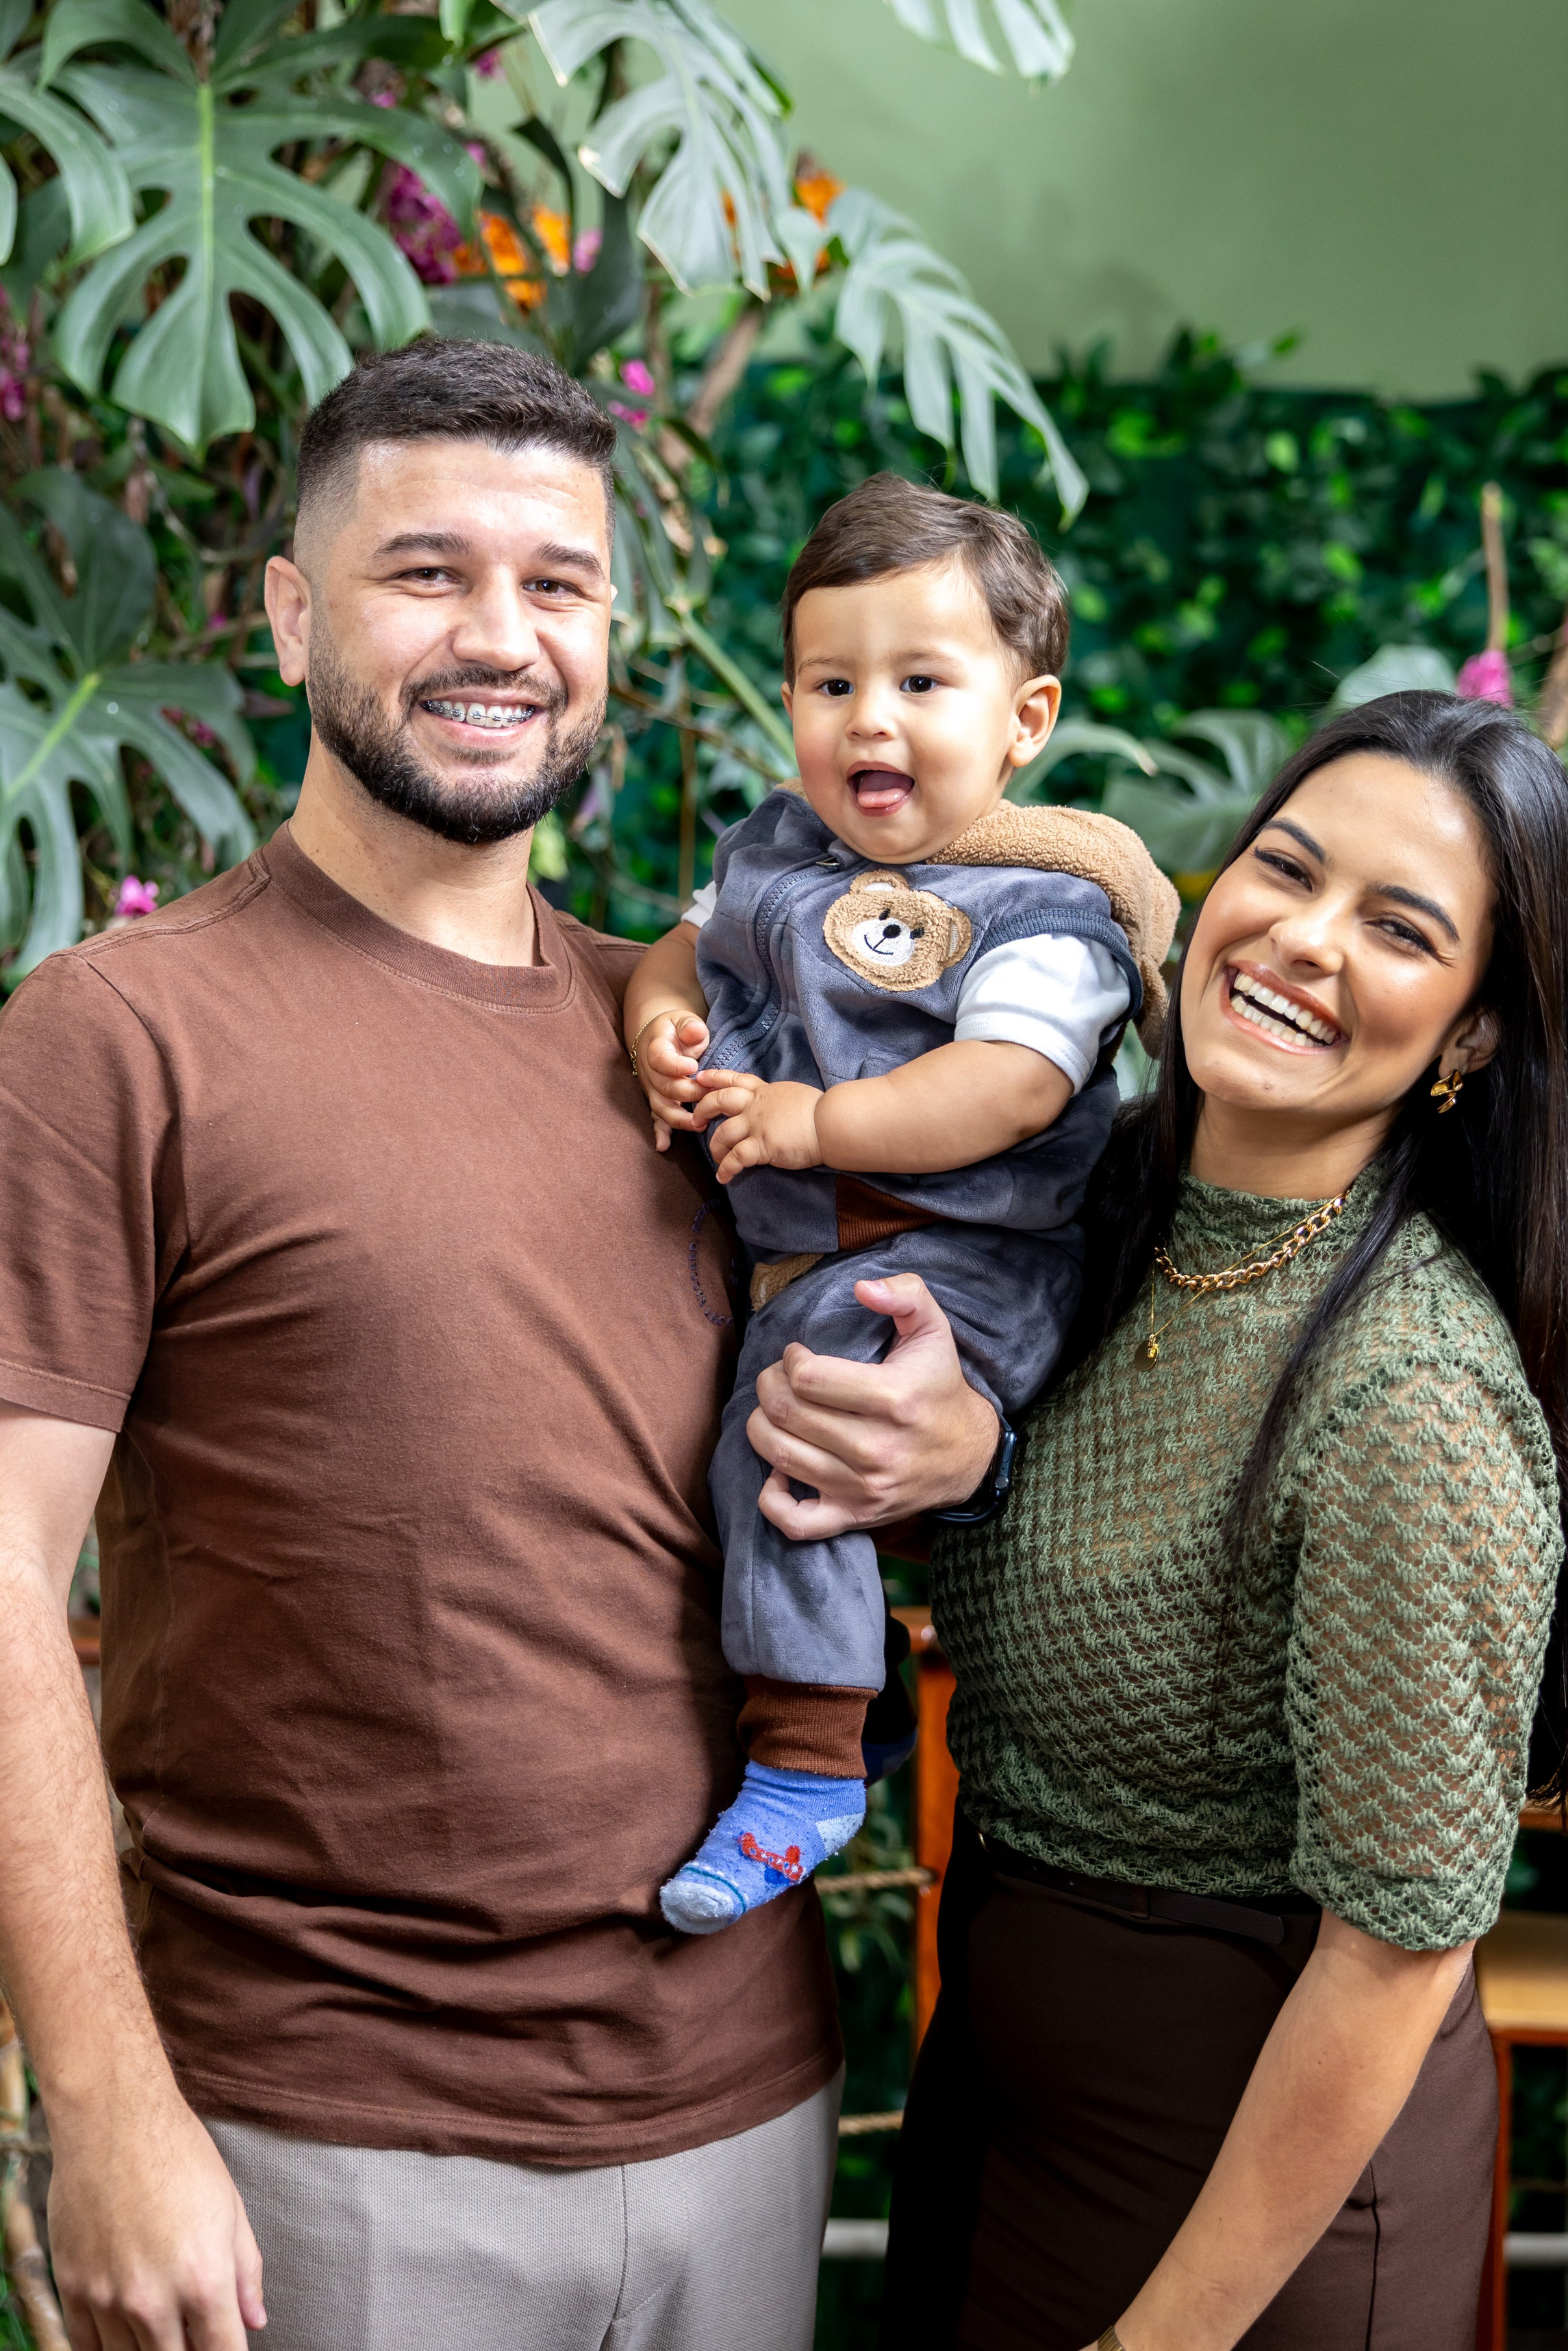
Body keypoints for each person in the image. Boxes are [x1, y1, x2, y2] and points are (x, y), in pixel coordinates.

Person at [0, 339, 1000, 2351]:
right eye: (425, 572)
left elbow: (917, 1347)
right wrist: (104, 2106)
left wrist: (951, 1436)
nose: (502, 636)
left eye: (558, 583)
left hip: (745, 2103)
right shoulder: (118, 1038)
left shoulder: (708, 1040)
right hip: (318, 2143)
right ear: (291, 614)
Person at [881, 690, 1568, 2350]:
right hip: (988, 2100)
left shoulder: (1405, 1398)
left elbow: (1398, 1951)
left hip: (1252, 2199)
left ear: (1470, 1033)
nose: (1301, 939)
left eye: (1398, 928)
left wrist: (1154, 2343)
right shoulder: (1086, 1206)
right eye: (1285, 867)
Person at [624, 476, 1177, 1934]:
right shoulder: (777, 854)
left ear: (1025, 717)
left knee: (798, 1436)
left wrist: (815, 1120)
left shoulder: (1042, 913)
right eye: (830, 681)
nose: (868, 719)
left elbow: (1001, 1088)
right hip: (814, 1254)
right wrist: (661, 1026)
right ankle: (828, 1697)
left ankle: (808, 1765)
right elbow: (679, 955)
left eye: (919, 681)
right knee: (762, 1424)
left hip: (961, 1266)